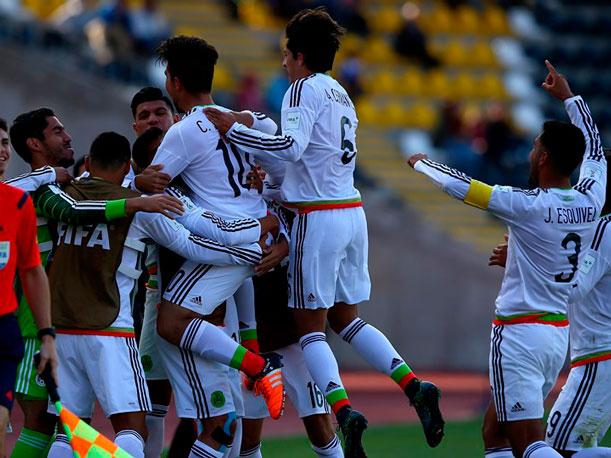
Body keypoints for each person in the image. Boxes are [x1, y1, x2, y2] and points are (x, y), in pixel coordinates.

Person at [205, 8, 444, 456]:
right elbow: (313, 159)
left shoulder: (300, 90)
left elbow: (291, 148)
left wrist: (236, 128)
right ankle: (413, 385)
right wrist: (272, 183)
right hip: (352, 211)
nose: (282, 64)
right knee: (346, 319)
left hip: (318, 217)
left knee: (308, 328)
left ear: (298, 56)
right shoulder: (340, 93)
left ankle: (344, 411)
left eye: (285, 55)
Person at [407, 61, 606, 457]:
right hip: (556, 336)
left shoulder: (527, 205)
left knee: (529, 445)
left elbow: (467, 189)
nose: (531, 152)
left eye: (535, 147)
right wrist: (570, 99)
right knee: (493, 433)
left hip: (519, 334)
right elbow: (595, 148)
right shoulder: (591, 199)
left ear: (546, 157)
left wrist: (423, 163)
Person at [45, 131, 265, 458]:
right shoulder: (143, 209)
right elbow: (193, 246)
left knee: (68, 433)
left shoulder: (64, 198)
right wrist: (252, 254)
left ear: (88, 163)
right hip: (110, 331)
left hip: (62, 331)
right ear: (128, 168)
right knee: (133, 430)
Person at [138, 35, 287, 458]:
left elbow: (154, 186)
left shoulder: (186, 131)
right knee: (221, 417)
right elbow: (282, 174)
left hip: (227, 243)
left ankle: (259, 366)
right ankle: (253, 365)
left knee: (170, 321)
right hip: (251, 239)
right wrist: (276, 225)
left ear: (174, 81)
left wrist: (130, 185)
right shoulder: (244, 120)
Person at [5, 107, 181, 458]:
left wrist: (133, 184)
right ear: (34, 143)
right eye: (57, 132)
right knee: (43, 423)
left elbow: (90, 193)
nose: (68, 137)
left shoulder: (61, 186)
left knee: (62, 427)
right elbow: (75, 211)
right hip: (33, 321)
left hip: (58, 323)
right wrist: (135, 201)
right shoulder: (41, 191)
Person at [0, 182, 58, 458]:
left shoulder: (19, 202)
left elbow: (33, 270)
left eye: (3, 143)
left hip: (5, 329)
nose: (2, 151)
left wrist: (47, 336)